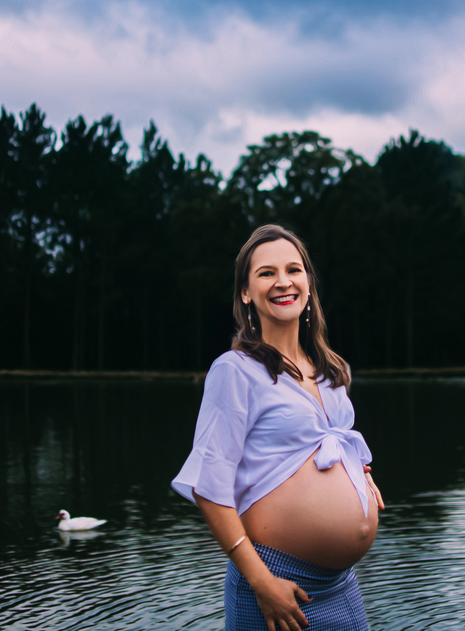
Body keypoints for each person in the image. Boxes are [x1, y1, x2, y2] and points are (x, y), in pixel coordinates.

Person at [173, 224, 385, 631]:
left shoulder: (331, 370)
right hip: (275, 582)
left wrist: (360, 474)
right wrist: (261, 582)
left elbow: (312, 450)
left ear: (308, 284)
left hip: (342, 587)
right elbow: (209, 487)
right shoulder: (234, 371)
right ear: (246, 293)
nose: (283, 281)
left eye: (294, 269)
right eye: (266, 273)